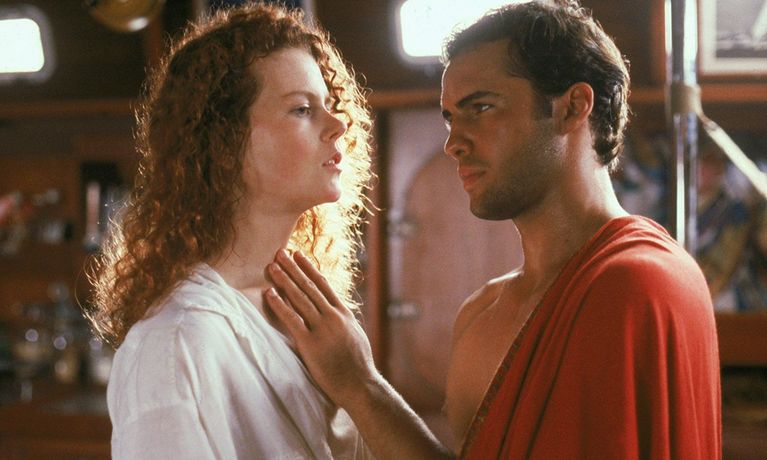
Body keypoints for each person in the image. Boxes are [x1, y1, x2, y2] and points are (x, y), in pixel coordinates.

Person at [265, 1, 722, 458]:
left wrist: (361, 385)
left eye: (481, 107)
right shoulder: (481, 313)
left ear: (572, 108)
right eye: (450, 117)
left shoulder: (637, 283)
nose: (453, 143)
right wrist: (359, 383)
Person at [86, 3, 374, 459]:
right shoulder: (176, 341)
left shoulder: (308, 309)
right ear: (223, 142)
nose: (338, 125)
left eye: (330, 105)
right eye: (302, 109)